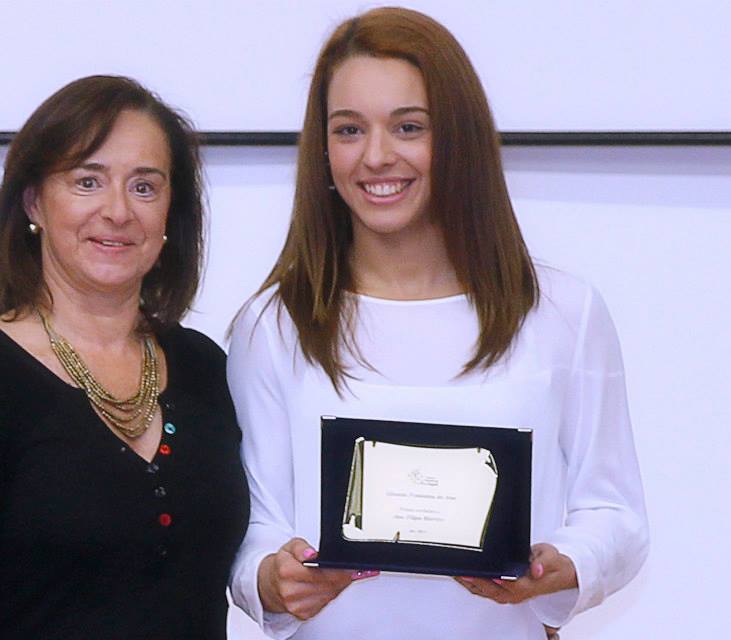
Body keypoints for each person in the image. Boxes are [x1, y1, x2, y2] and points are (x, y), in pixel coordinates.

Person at [227, 7, 648, 640]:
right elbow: (253, 529)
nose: (376, 157)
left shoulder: (564, 310)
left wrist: (565, 564)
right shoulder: (274, 323)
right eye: (348, 129)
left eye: (408, 126)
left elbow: (616, 514)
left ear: (459, 138)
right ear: (322, 149)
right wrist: (269, 578)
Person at [0, 75, 248, 639]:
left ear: (171, 213)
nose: (118, 211)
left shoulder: (205, 370)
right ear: (35, 202)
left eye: (145, 187)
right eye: (87, 182)